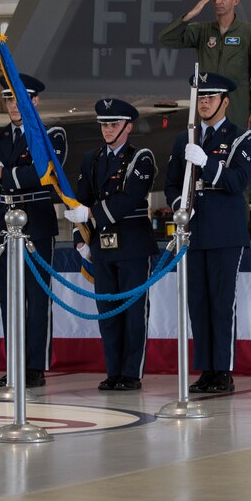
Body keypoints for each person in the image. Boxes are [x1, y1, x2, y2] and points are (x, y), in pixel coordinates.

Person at [164, 73, 251, 394]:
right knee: (198, 303)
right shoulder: (185, 139)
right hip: (194, 230)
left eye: (211, 97)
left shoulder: (241, 138)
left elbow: (236, 182)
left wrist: (208, 164)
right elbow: (172, 183)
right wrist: (181, 207)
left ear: (225, 101)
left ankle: (223, 371)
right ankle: (206, 369)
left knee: (221, 303)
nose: (204, 103)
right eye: (200, 97)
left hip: (225, 230)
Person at [0, 74, 65, 388]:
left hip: (35, 221)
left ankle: (35, 366)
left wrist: (3, 172)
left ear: (34, 101)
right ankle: (15, 363)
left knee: (37, 298)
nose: (13, 106)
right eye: (9, 99)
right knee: (11, 298)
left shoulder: (50, 134)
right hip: (1, 224)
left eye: (20, 99)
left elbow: (42, 173)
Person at [65, 98, 158, 391]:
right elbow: (80, 198)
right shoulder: (91, 159)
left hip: (131, 242)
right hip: (101, 244)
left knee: (132, 312)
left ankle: (131, 372)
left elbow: (129, 198)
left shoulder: (140, 157)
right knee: (108, 312)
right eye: (104, 124)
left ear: (128, 127)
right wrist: (80, 238)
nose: (107, 129)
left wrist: (91, 215)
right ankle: (113, 370)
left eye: (114, 124)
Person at [159, 0, 251, 130]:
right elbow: (166, 38)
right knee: (206, 150)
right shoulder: (202, 30)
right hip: (207, 106)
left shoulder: (249, 33)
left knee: (235, 147)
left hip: (236, 105)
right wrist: (189, 15)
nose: (218, 1)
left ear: (235, 0)